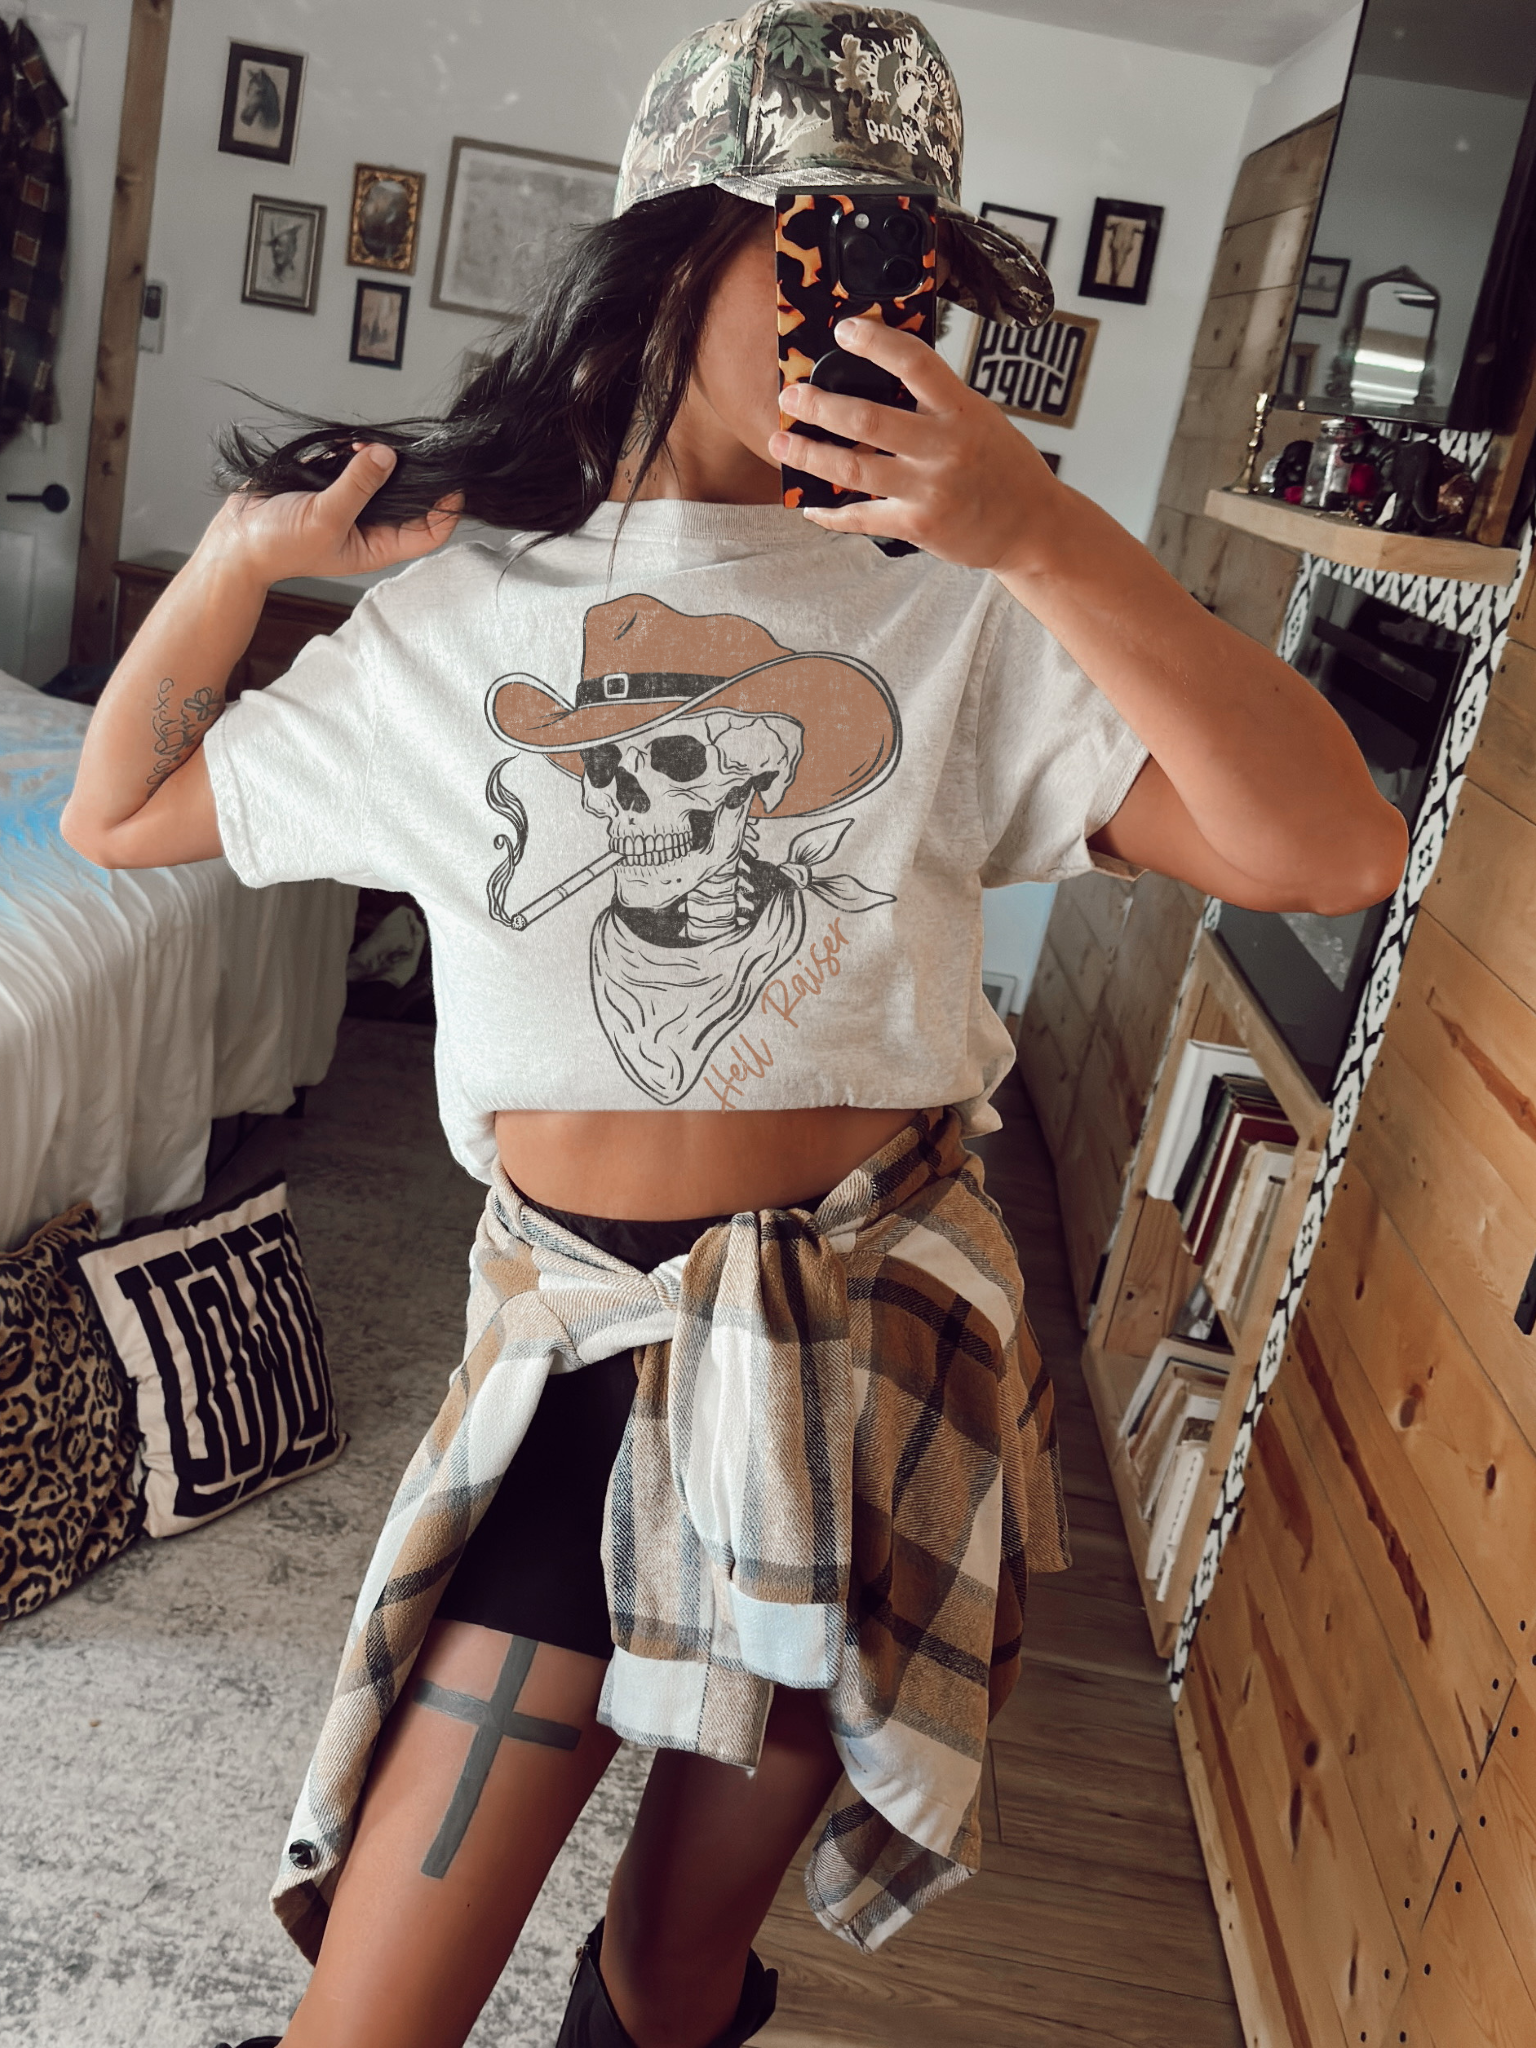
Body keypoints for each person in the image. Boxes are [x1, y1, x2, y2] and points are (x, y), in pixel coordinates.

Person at [61, 7, 1407, 2047]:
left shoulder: (969, 612)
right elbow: (126, 809)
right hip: (577, 1355)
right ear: (674, 245)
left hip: (864, 1366)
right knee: (373, 2014)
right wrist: (247, 557)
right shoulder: (461, 617)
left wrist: (1042, 534)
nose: (862, 310)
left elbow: (1336, 846)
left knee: (675, 1970)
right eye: (820, 243)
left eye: (910, 268)